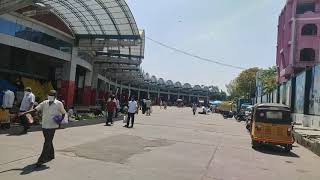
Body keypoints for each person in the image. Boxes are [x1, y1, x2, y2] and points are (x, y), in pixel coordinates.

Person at [20, 90, 66, 168]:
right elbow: (35, 109)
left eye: (51, 95)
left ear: (55, 96)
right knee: (49, 141)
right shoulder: (44, 103)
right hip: (44, 125)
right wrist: (25, 113)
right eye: (49, 94)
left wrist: (60, 121)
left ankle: (41, 160)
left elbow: (64, 113)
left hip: (52, 126)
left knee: (47, 142)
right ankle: (51, 155)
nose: (49, 96)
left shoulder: (59, 103)